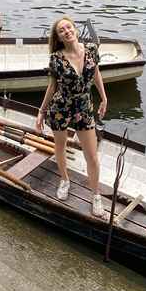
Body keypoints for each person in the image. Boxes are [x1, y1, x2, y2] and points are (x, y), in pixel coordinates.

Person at [35, 16, 108, 217]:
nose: (66, 31)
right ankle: (65, 179)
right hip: (61, 107)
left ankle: (96, 195)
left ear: (75, 29)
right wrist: (41, 111)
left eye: (68, 27)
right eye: (61, 30)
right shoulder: (57, 58)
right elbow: (52, 86)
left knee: (91, 155)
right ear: (58, 37)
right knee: (60, 147)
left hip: (84, 107)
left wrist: (104, 97)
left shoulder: (92, 50)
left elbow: (96, 74)